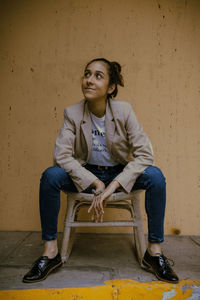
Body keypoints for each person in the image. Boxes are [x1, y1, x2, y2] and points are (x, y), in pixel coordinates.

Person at [23, 58, 179, 284]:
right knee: (50, 176)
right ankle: (50, 252)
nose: (89, 80)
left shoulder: (124, 111)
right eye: (87, 74)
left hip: (119, 173)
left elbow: (145, 154)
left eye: (98, 76)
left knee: (155, 176)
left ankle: (153, 253)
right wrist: (96, 183)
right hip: (86, 174)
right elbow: (62, 155)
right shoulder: (73, 113)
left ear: (111, 87)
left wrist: (113, 185)